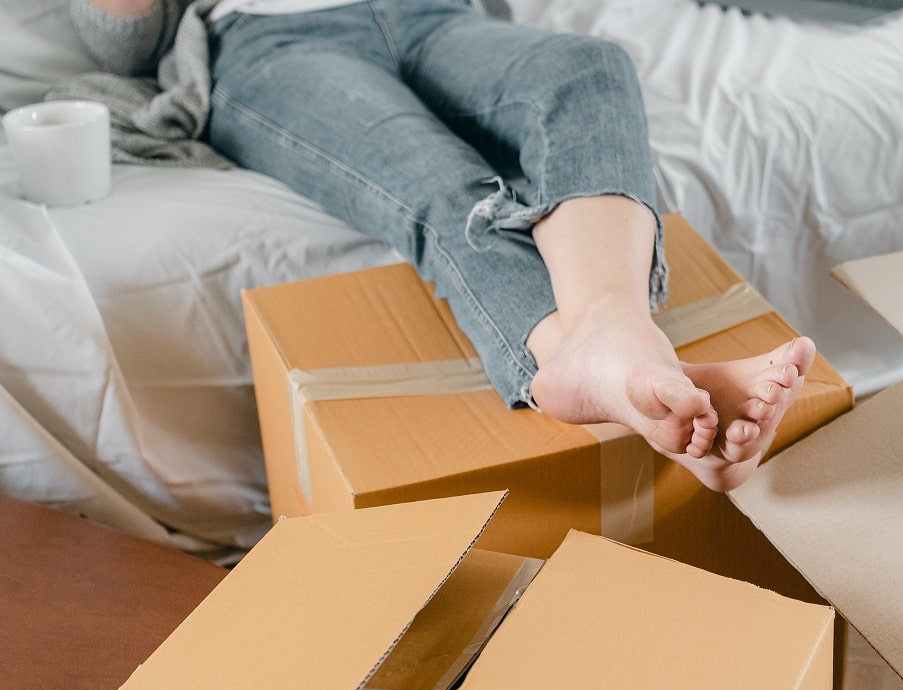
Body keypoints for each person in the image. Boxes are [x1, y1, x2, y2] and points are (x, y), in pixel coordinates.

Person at [69, 0, 815, 492]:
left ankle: (615, 338)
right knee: (440, 182)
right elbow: (125, 43)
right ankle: (616, 368)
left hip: (429, 13)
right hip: (274, 39)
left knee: (590, 69)